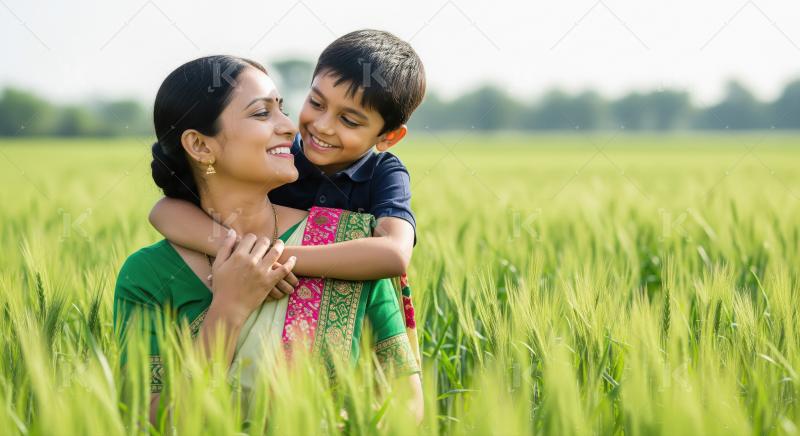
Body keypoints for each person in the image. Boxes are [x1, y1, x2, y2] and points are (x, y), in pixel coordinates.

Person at [113, 55, 422, 424]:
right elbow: (151, 423)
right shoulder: (147, 277)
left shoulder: (349, 242)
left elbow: (405, 403)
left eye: (283, 109)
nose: (291, 127)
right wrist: (229, 307)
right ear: (199, 146)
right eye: (262, 114)